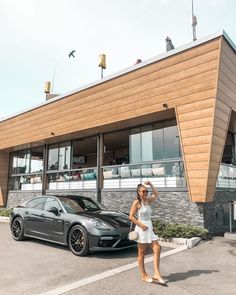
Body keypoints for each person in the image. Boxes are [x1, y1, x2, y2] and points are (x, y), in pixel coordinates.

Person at [129, 181, 167, 286]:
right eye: (143, 191)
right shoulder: (137, 202)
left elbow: (156, 194)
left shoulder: (147, 201)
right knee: (142, 253)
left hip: (149, 228)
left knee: (157, 248)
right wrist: (141, 225)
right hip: (141, 229)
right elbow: (131, 216)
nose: (145, 193)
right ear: (138, 192)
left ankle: (157, 274)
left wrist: (150, 184)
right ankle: (143, 275)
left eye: (146, 191)